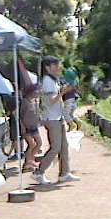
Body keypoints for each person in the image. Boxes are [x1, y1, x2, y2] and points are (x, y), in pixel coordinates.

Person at [30, 56, 80, 185]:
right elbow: (51, 101)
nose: (58, 68)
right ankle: (39, 172)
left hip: (58, 118)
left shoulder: (53, 80)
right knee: (56, 147)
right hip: (51, 119)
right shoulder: (47, 81)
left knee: (64, 147)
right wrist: (63, 92)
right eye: (56, 65)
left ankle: (64, 173)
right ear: (48, 67)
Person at [20, 84, 42, 172]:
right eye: (36, 92)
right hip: (27, 126)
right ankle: (27, 163)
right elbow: (20, 116)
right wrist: (22, 127)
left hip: (34, 126)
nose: (38, 93)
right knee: (31, 144)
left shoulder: (35, 101)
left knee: (39, 143)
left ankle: (31, 160)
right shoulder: (24, 102)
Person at [61, 59, 82, 131]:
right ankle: (78, 122)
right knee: (71, 113)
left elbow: (65, 87)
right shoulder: (75, 76)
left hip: (68, 98)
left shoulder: (67, 75)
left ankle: (71, 124)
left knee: (65, 114)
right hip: (74, 97)